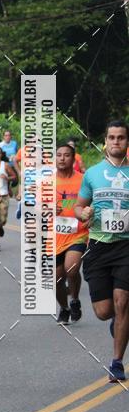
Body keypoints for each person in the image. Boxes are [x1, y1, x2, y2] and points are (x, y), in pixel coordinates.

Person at [74, 120, 129, 382]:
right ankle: (117, 322)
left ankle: (117, 362)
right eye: (112, 137)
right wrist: (82, 213)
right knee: (104, 311)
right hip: (97, 245)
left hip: (126, 246)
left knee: (123, 302)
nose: (116, 141)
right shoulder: (92, 173)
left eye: (121, 137)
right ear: (105, 142)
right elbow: (78, 207)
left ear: (127, 142)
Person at [54, 143, 88, 324]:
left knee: (71, 267)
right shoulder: (46, 183)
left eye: (66, 155)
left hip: (78, 233)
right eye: (58, 155)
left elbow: (92, 202)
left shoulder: (83, 179)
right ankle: (65, 307)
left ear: (73, 159)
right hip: (54, 237)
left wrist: (87, 213)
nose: (62, 158)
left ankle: (74, 298)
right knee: (56, 278)